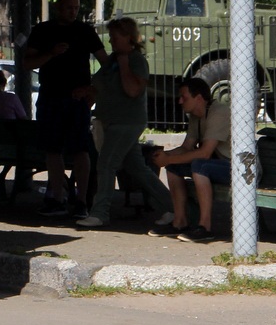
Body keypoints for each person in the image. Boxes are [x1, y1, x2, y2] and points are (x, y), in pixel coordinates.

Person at [75, 17, 174, 229]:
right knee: (137, 169)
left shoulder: (136, 60)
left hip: (126, 122)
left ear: (128, 37)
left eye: (114, 37)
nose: (111, 41)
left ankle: (100, 213)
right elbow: (99, 83)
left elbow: (132, 90)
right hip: (110, 120)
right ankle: (174, 207)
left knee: (106, 163)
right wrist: (86, 91)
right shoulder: (112, 60)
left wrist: (124, 65)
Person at [23, 0, 102, 219]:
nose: (73, 12)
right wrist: (51, 54)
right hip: (51, 97)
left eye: (76, 8)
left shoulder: (85, 31)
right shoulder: (43, 30)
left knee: (80, 149)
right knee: (52, 149)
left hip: (77, 100)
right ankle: (56, 197)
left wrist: (92, 89)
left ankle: (81, 200)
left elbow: (105, 62)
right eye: (69, 8)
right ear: (58, 7)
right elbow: (27, 63)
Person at [149, 77, 233, 242]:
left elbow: (205, 153)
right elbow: (187, 147)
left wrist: (169, 159)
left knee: (199, 166)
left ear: (199, 98)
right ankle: (179, 222)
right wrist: (166, 156)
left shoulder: (219, 112)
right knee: (174, 168)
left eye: (184, 97)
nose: (180, 101)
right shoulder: (197, 115)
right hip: (215, 164)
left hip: (237, 168)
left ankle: (205, 227)